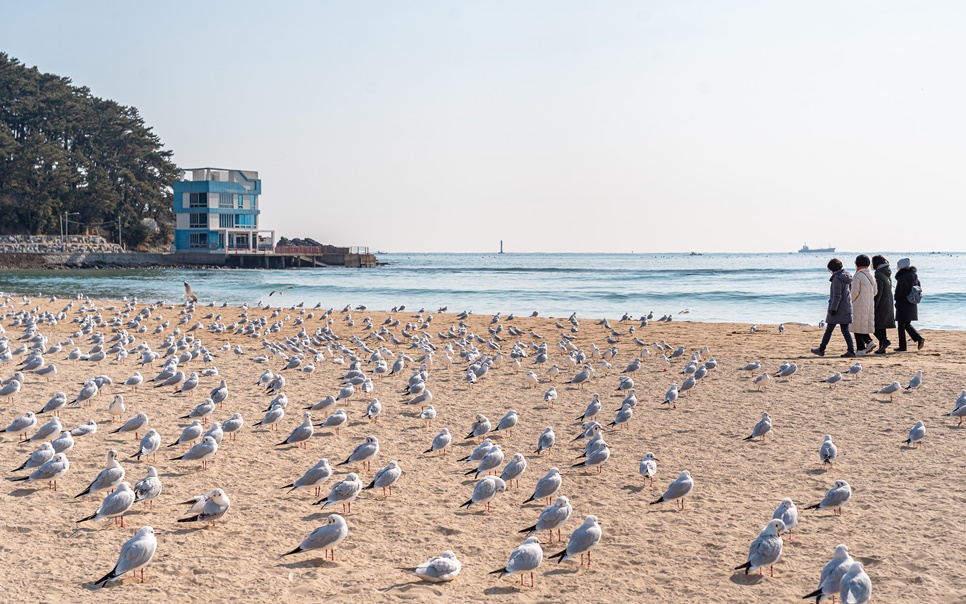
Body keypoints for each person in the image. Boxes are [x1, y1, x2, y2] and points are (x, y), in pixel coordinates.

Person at [811, 258, 855, 357]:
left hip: (838, 309)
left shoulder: (837, 278)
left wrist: (833, 309)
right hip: (846, 306)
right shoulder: (847, 276)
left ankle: (821, 349)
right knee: (845, 330)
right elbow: (849, 292)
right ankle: (851, 350)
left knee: (829, 330)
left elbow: (837, 296)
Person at [893, 257, 924, 351]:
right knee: (906, 324)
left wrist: (896, 300)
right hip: (912, 302)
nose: (897, 267)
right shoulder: (914, 276)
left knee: (901, 326)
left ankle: (903, 346)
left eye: (898, 265)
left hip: (903, 303)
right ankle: (918, 338)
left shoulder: (902, 277)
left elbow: (899, 292)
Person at [850, 254, 877, 355]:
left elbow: (854, 292)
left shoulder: (858, 275)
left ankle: (861, 349)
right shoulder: (871, 276)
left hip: (858, 304)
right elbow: (875, 291)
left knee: (857, 326)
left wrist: (850, 301)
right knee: (862, 326)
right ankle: (869, 342)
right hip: (869, 304)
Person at [871, 255, 895, 353]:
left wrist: (874, 307)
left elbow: (878, 293)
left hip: (881, 304)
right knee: (882, 326)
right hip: (888, 303)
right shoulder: (886, 273)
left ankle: (884, 341)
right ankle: (882, 348)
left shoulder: (878, 275)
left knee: (873, 326)